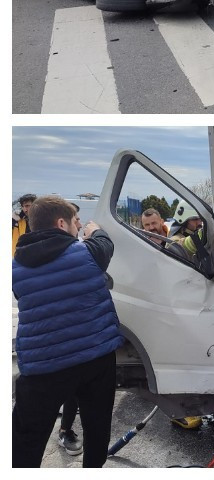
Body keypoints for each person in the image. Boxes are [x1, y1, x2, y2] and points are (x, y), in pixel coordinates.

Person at [12, 196, 122, 468]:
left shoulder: (15, 268)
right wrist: (94, 229)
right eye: (75, 221)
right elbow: (105, 243)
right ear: (61, 223)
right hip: (95, 360)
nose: (79, 226)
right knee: (97, 431)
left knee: (26, 440)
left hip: (43, 368)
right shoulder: (88, 252)